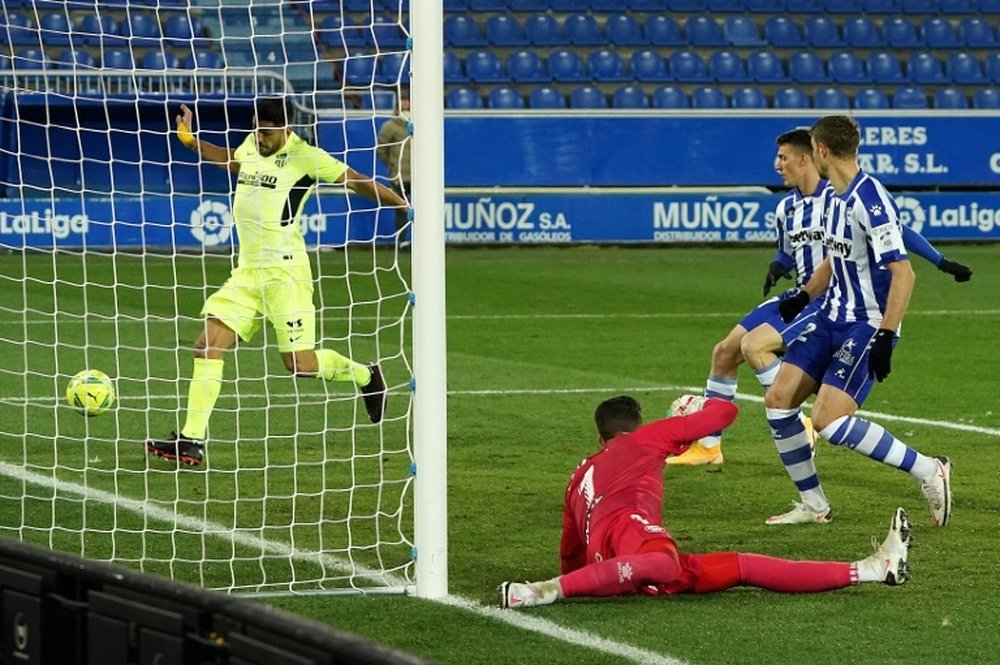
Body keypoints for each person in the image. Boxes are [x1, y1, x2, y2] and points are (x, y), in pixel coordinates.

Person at [669, 129, 973, 467]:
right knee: (724, 352)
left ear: (807, 157)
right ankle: (709, 448)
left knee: (755, 347)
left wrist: (941, 261)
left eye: (783, 157)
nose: (777, 165)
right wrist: (777, 266)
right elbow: (787, 253)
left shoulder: (840, 197)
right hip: (802, 292)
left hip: (831, 300)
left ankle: (798, 421)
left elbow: (896, 232)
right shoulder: (786, 209)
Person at [145, 98, 408, 466]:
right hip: (248, 272)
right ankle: (191, 439)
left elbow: (357, 181)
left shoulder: (307, 157)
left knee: (298, 363)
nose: (259, 137)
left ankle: (366, 375)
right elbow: (230, 160)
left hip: (285, 274)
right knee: (207, 346)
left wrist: (403, 205)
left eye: (266, 132)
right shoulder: (251, 144)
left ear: (287, 129)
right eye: (256, 129)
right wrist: (191, 141)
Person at [498, 394, 913, 609]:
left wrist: (593, 580)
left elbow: (569, 550)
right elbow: (725, 415)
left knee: (742, 566)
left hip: (618, 558)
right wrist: (699, 407)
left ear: (599, 439)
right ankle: (542, 593)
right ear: (637, 427)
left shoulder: (577, 477)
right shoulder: (647, 439)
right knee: (664, 562)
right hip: (636, 543)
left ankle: (874, 569)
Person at [762, 115, 951, 527]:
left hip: (865, 325)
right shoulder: (832, 195)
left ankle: (928, 470)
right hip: (830, 316)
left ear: (823, 151)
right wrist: (803, 294)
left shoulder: (870, 200)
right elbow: (836, 256)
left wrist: (885, 334)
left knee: (827, 421)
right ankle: (814, 505)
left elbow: (904, 273)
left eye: (812, 149)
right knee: (778, 401)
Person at [375, 96, 411, 243]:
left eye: (408, 109)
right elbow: (381, 149)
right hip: (399, 177)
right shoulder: (389, 127)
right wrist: (392, 165)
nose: (406, 112)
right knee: (401, 209)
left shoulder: (422, 125)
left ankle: (421, 242)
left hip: (419, 177)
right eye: (403, 109)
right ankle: (402, 241)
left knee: (423, 210)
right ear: (397, 109)